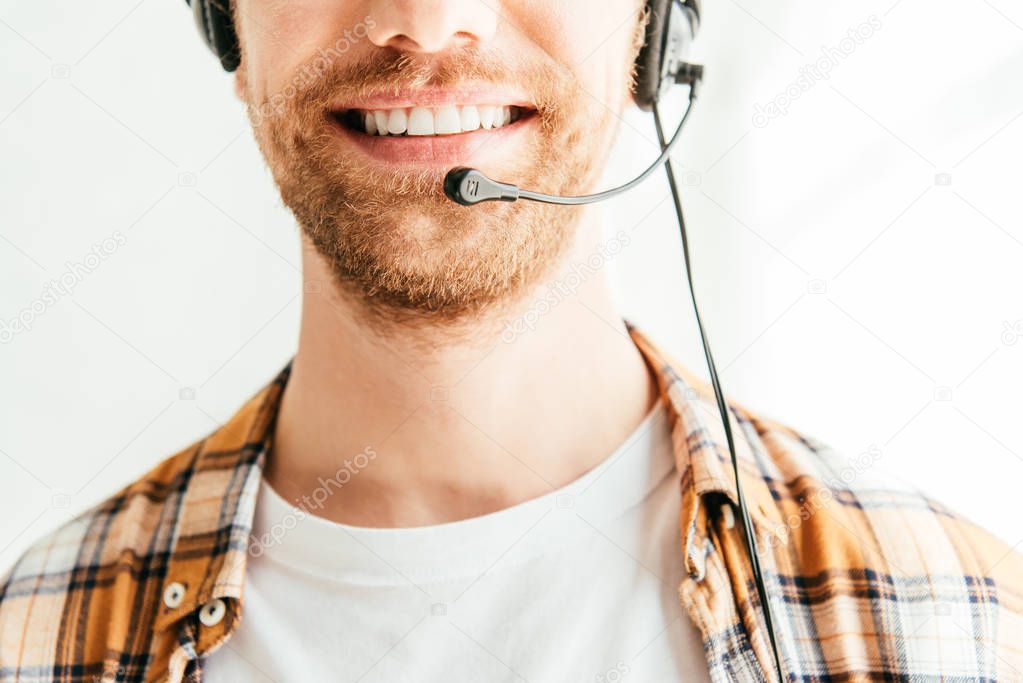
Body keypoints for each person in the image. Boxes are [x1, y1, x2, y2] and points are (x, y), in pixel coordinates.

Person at [2, 1, 1021, 681]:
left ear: (652, 23)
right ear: (224, 17)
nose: (421, 19)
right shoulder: (29, 638)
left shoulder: (965, 627)